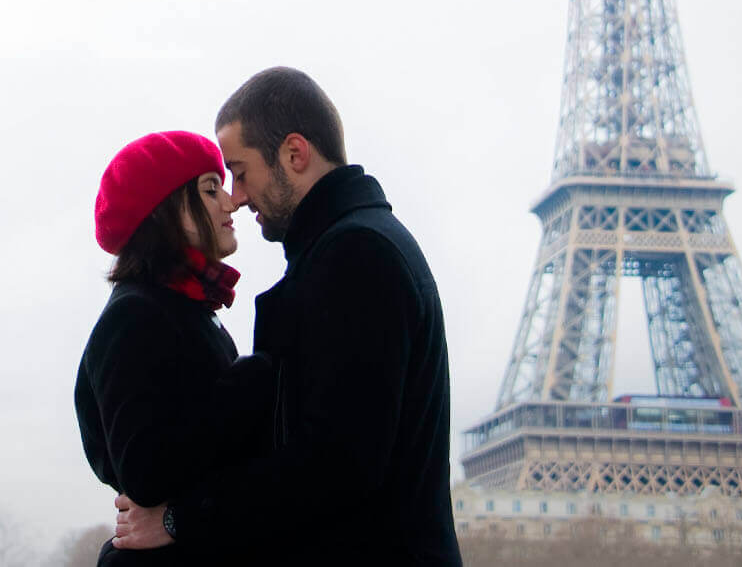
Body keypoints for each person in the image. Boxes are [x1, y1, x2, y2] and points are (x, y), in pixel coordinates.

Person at [112, 67, 463, 566]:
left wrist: (179, 518)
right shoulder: (356, 245)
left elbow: (336, 464)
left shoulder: (355, 255)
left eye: (239, 170)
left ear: (294, 155)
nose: (236, 195)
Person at [75, 131, 272, 565]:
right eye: (209, 189)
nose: (229, 201)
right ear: (165, 210)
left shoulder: (184, 310)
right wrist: (256, 377)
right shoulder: (135, 317)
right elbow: (145, 470)